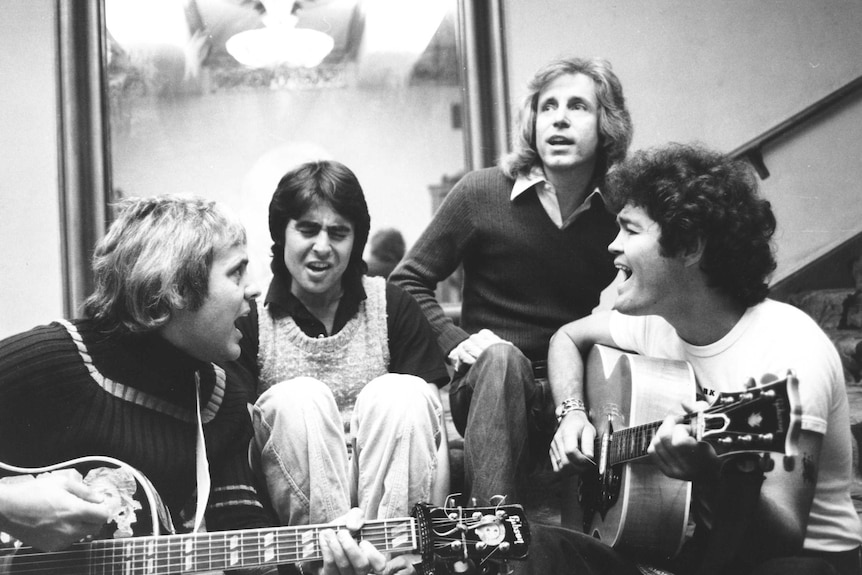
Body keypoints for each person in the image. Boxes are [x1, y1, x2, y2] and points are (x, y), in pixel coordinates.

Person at [0, 195, 386, 575]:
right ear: (174, 289)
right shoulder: (52, 358)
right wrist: (9, 506)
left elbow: (242, 544)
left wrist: (322, 570)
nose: (253, 289)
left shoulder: (221, 398)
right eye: (236, 272)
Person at [545, 143, 862, 574]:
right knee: (543, 547)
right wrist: (573, 414)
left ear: (690, 245)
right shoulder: (657, 320)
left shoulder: (789, 351)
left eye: (631, 230)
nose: (612, 245)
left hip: (803, 563)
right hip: (698, 547)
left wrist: (710, 476)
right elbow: (566, 337)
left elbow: (784, 536)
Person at [390, 56, 633, 506]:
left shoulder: (622, 207)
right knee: (503, 359)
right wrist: (453, 339)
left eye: (577, 106)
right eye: (547, 107)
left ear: (606, 124)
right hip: (490, 384)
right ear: (532, 121)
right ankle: (490, 536)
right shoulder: (481, 193)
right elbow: (406, 281)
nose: (558, 117)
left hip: (577, 388)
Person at [234, 161, 450, 554]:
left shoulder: (393, 305)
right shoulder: (249, 319)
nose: (322, 247)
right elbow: (237, 451)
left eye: (338, 233)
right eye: (307, 229)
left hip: (391, 514)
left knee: (403, 392)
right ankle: (331, 557)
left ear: (356, 241)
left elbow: (432, 439)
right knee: (296, 398)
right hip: (299, 530)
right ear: (281, 235)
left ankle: (393, 553)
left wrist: (429, 546)